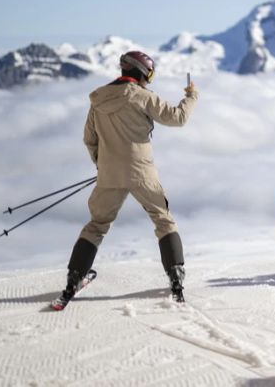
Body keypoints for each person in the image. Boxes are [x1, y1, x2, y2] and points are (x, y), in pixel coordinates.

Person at [56, 50, 198, 306]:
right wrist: (191, 96)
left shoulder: (98, 100)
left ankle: (73, 278)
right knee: (163, 220)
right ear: (143, 73)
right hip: (142, 172)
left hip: (109, 174)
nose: (149, 80)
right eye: (150, 75)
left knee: (97, 225)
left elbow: (89, 139)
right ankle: (176, 276)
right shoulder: (143, 97)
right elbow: (178, 118)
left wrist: (103, 164)